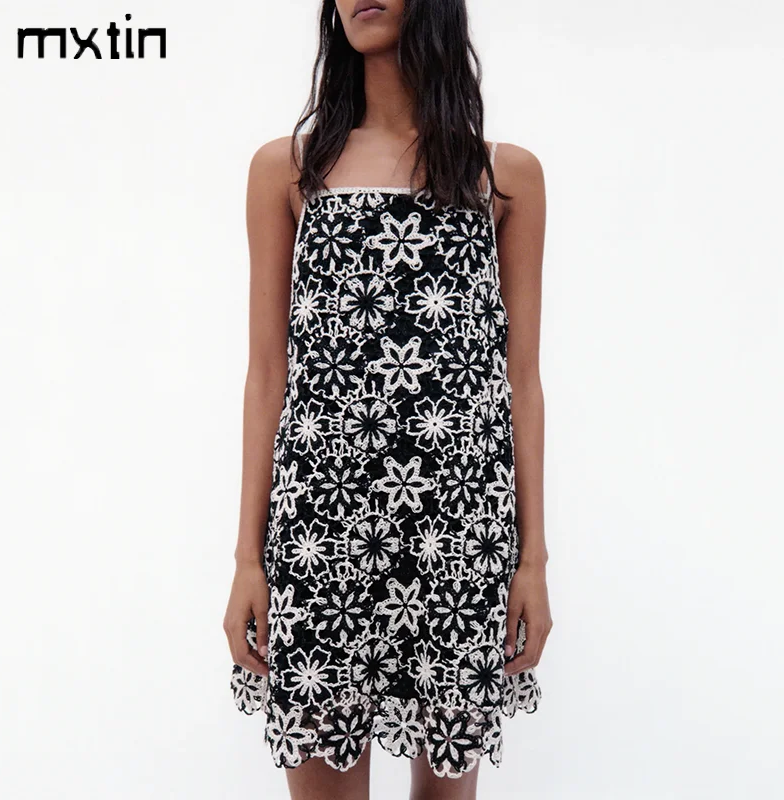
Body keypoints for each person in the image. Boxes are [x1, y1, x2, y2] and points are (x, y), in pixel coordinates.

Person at [223, 1, 551, 798]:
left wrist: (532, 561)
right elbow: (267, 374)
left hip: (459, 533)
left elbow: (521, 379)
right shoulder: (288, 172)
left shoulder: (503, 177)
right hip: (321, 531)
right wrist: (248, 560)